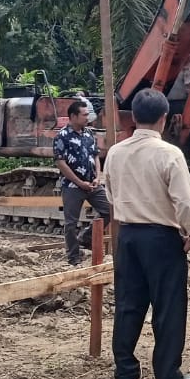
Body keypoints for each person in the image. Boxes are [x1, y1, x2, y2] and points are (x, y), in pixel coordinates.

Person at [105, 89, 190, 379]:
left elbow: (110, 193)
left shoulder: (115, 152)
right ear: (164, 119)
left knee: (128, 305)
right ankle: (167, 372)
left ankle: (125, 374)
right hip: (162, 237)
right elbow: (184, 202)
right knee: (169, 306)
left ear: (133, 118)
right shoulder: (169, 154)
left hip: (128, 236)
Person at [54, 101, 113, 266]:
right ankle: (73, 258)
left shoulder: (88, 134)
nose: (88, 117)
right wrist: (80, 182)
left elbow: (95, 156)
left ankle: (86, 238)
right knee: (71, 223)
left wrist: (97, 177)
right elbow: (60, 162)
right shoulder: (62, 136)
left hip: (92, 184)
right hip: (72, 186)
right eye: (85, 115)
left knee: (109, 209)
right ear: (73, 116)